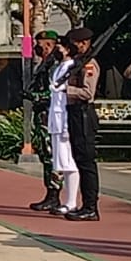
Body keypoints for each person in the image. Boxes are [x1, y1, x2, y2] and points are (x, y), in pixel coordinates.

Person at [61, 27, 101, 221]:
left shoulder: (89, 65)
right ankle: (86, 204)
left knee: (86, 163)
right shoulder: (78, 63)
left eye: (75, 43)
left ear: (83, 43)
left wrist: (66, 90)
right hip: (75, 114)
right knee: (79, 160)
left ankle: (90, 206)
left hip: (84, 115)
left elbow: (87, 93)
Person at [23, 31, 64, 210]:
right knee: (45, 155)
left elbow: (56, 91)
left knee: (52, 155)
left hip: (50, 114)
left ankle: (55, 194)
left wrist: (35, 96)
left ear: (49, 45)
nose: (36, 48)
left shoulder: (55, 66)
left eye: (39, 45)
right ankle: (50, 193)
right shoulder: (44, 64)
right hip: (41, 114)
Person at [46, 42, 79, 217]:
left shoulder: (72, 67)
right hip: (56, 121)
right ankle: (68, 201)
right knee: (61, 163)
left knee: (69, 163)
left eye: (60, 47)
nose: (57, 50)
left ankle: (72, 201)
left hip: (64, 120)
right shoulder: (60, 67)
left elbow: (67, 100)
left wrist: (67, 126)